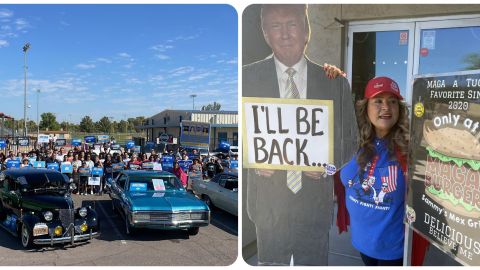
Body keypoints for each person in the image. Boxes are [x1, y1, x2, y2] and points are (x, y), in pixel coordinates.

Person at [243, 4, 358, 265]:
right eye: (275, 26)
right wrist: (254, 162)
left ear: (306, 31)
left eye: (292, 24)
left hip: (314, 207)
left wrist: (327, 168)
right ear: (265, 33)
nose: (285, 34)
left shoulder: (334, 82)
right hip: (267, 205)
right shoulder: (245, 79)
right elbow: (237, 137)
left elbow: (350, 141)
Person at [339, 77, 408, 266]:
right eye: (378, 101)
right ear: (366, 107)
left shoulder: (409, 149)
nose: (386, 107)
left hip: (393, 249)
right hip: (361, 242)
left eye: (392, 102)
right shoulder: (351, 142)